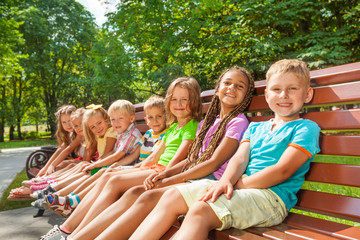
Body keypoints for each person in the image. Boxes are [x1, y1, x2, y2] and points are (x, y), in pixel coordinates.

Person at [129, 59, 321, 240]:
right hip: (240, 190)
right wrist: (226, 181)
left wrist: (237, 184)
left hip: (271, 199)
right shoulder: (256, 128)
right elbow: (239, 159)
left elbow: (283, 170)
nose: (283, 95)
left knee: (200, 209)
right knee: (172, 195)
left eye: (292, 89)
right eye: (276, 89)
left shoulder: (305, 128)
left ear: (307, 94)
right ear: (268, 95)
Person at [67, 66, 256, 240]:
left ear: (246, 95)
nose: (232, 88)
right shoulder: (207, 122)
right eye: (227, 83)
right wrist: (165, 174)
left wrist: (170, 179)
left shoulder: (238, 122)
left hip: (210, 181)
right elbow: (192, 160)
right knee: (136, 192)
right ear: (217, 88)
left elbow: (213, 163)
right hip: (193, 176)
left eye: (240, 86)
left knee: (147, 195)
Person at [40, 77, 202, 240]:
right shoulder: (174, 127)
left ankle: (73, 234)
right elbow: (153, 156)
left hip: (164, 172)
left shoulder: (192, 126)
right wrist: (133, 168)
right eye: (174, 99)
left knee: (114, 180)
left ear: (193, 101)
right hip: (154, 168)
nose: (179, 103)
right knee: (109, 175)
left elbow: (180, 157)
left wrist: (163, 175)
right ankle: (71, 229)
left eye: (184, 99)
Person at [43, 100, 144, 216]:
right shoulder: (123, 132)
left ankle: (68, 199)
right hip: (119, 165)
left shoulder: (130, 134)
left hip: (126, 168)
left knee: (97, 172)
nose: (116, 123)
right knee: (92, 171)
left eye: (120, 118)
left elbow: (117, 155)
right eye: (113, 119)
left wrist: (96, 164)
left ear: (131, 119)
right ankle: (67, 197)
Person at [7, 105, 78, 201]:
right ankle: (34, 185)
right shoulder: (70, 134)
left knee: (62, 165)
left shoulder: (80, 133)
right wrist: (45, 169)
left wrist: (52, 166)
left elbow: (67, 150)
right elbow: (59, 151)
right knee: (56, 167)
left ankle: (33, 188)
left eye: (70, 121)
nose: (68, 125)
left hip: (80, 164)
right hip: (76, 163)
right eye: (64, 122)